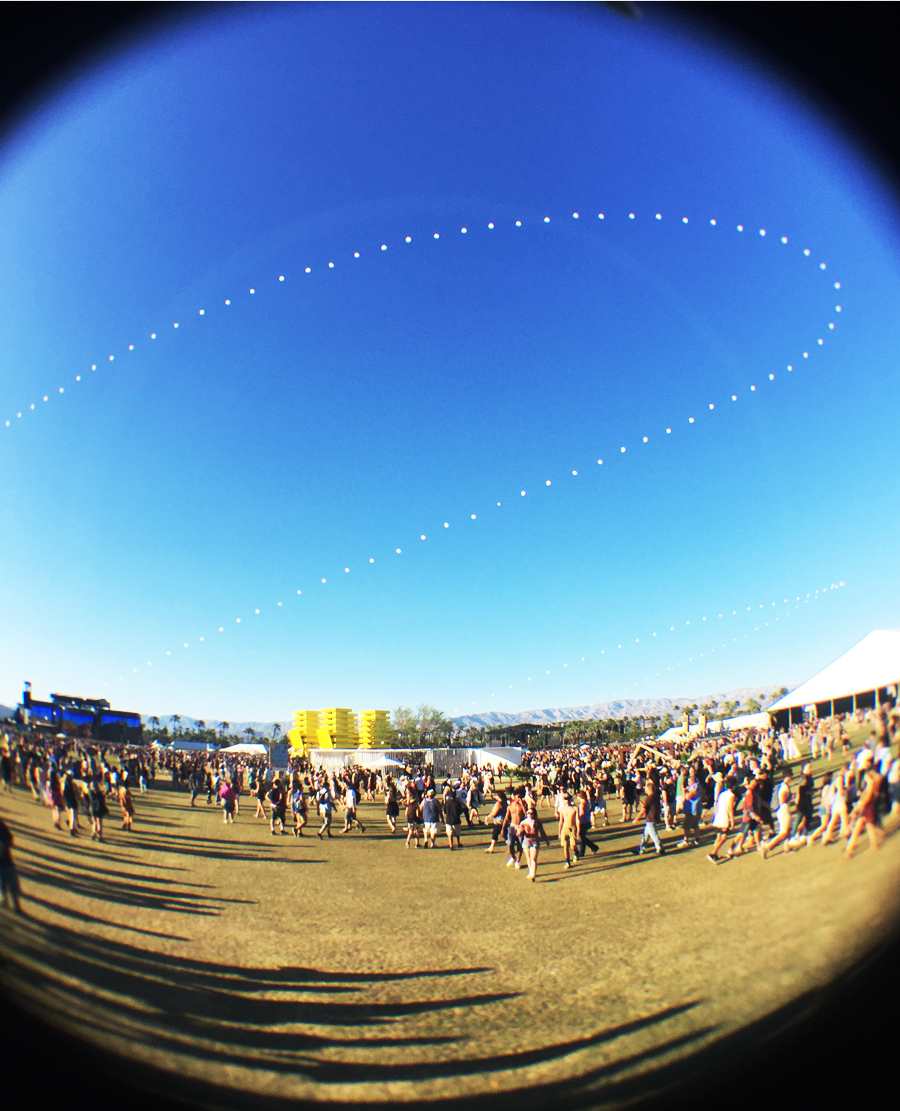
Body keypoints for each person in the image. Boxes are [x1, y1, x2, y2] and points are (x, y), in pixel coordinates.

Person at [845, 768, 886, 858]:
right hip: (868, 808)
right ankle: (874, 844)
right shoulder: (873, 784)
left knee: (860, 828)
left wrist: (858, 808)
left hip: (867, 808)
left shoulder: (871, 785)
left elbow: (866, 799)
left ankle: (849, 850)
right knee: (868, 826)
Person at [706, 776, 736, 862]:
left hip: (718, 816)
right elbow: (730, 809)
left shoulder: (722, 794)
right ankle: (713, 853)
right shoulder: (731, 795)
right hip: (724, 818)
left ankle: (715, 854)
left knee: (719, 836)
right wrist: (732, 821)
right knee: (724, 837)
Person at [518, 803, 550, 882]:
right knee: (528, 858)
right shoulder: (523, 822)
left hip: (535, 841)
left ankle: (533, 874)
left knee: (534, 859)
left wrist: (546, 840)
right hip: (526, 841)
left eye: (531, 813)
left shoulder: (537, 822)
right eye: (528, 813)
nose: (529, 814)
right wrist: (520, 832)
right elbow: (519, 833)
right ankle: (530, 872)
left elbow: (542, 832)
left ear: (534, 814)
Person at [0, 815, 23, 914]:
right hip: (7, 862)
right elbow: (9, 839)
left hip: (6, 861)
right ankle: (13, 905)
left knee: (8, 885)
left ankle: (10, 903)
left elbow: (9, 839)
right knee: (11, 885)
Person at [634, 783, 664, 857]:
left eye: (646, 788)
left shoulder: (649, 798)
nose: (645, 789)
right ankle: (641, 849)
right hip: (653, 818)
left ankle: (660, 848)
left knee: (654, 835)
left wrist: (637, 818)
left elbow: (643, 809)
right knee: (645, 835)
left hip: (650, 819)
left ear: (649, 789)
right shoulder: (656, 797)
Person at [557, 792, 580, 868]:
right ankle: (567, 862)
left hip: (572, 828)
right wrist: (559, 832)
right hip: (564, 828)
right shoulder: (561, 809)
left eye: (567, 798)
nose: (566, 800)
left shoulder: (575, 808)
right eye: (564, 799)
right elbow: (561, 821)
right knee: (565, 845)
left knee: (573, 845)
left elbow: (577, 820)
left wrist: (578, 831)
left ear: (570, 799)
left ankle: (576, 852)